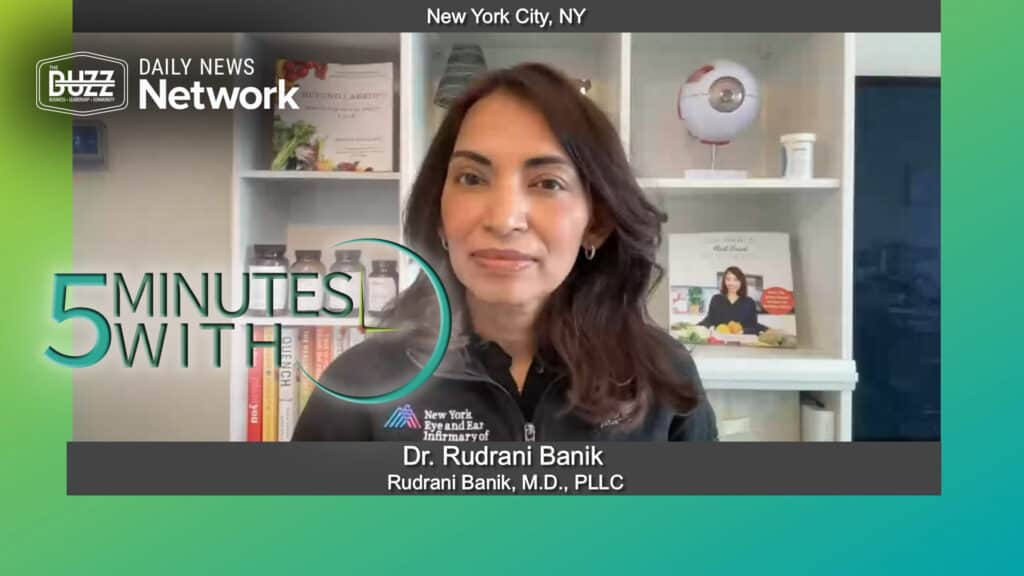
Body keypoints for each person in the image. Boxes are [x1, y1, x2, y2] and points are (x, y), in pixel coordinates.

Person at [293, 63, 717, 442]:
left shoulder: (664, 378)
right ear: (439, 213)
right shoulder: (360, 385)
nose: (504, 219)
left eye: (548, 183)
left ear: (596, 222)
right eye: (472, 178)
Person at [697, 266, 769, 335]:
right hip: (719, 340)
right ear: (724, 281)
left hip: (742, 341)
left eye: (736, 279)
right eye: (728, 279)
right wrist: (696, 327)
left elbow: (753, 326)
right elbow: (710, 320)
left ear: (741, 282)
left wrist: (743, 331)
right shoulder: (716, 299)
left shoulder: (749, 302)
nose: (731, 283)